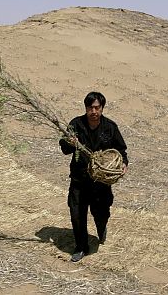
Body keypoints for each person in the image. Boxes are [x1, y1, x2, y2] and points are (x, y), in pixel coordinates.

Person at [59, 91, 128, 262]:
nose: (94, 111)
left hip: (100, 182)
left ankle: (101, 226)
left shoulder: (110, 127)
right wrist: (70, 142)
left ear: (102, 108)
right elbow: (64, 149)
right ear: (86, 108)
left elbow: (121, 150)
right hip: (79, 179)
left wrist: (123, 164)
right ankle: (81, 247)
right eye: (90, 107)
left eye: (97, 107)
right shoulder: (75, 124)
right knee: (77, 214)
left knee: (101, 212)